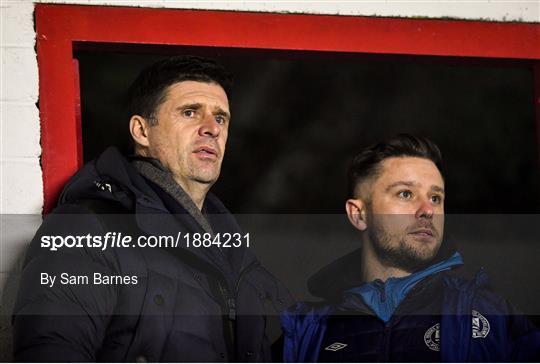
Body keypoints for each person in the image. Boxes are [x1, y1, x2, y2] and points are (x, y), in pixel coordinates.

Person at [13, 56, 292, 362]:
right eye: (190, 112)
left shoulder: (237, 252)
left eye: (221, 118)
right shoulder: (84, 230)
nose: (212, 128)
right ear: (142, 131)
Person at [281, 134, 540, 362]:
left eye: (435, 198)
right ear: (359, 215)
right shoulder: (306, 333)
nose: (428, 210)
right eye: (405, 193)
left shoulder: (490, 315)